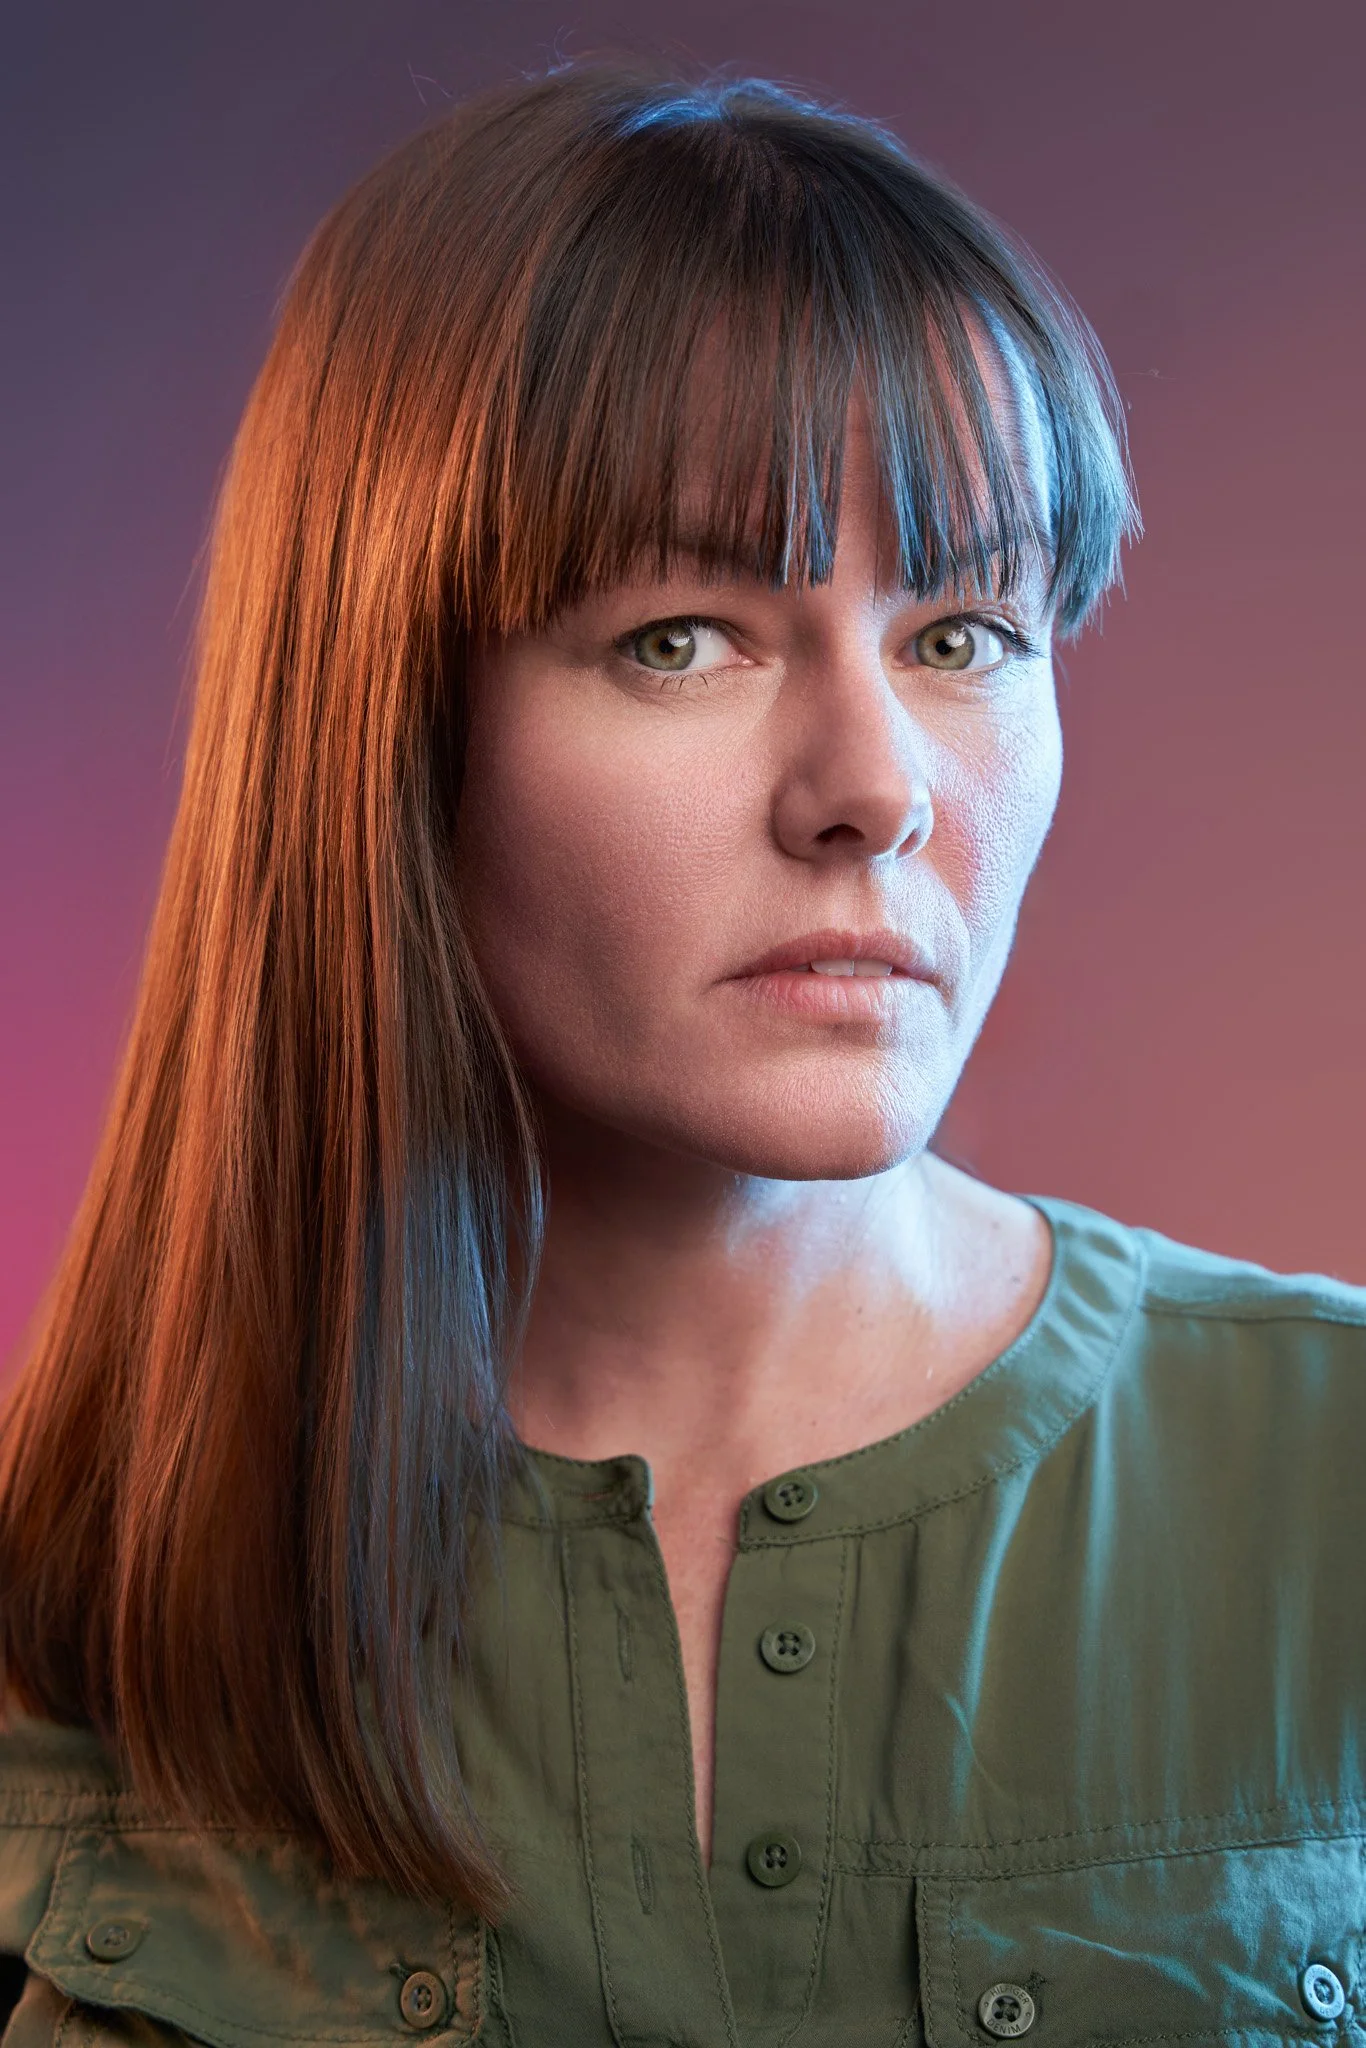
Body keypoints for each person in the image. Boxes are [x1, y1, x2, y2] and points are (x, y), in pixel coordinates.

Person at [1, 50, 1363, 2048]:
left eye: (960, 634)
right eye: (682, 637)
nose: (872, 790)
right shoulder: (70, 1594)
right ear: (385, 730)